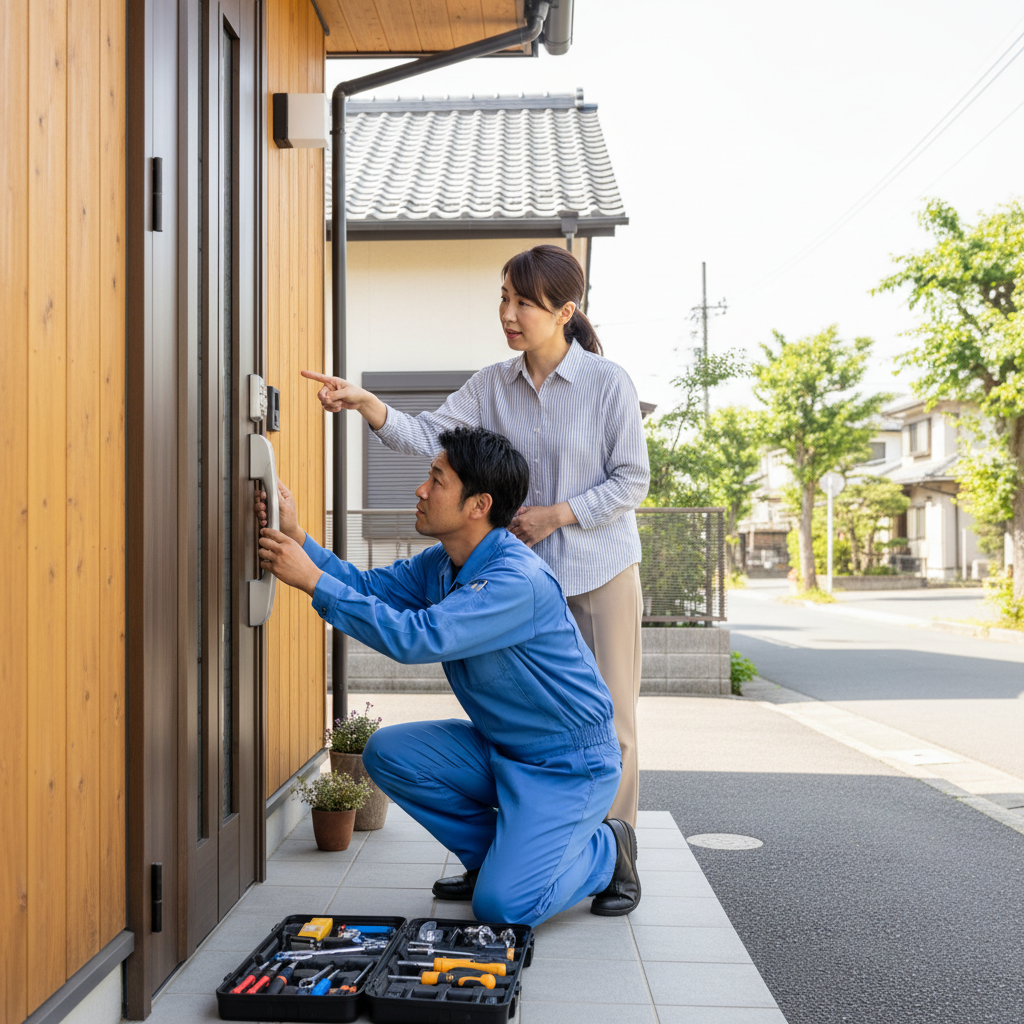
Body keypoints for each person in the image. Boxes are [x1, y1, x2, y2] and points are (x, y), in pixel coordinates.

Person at [301, 244, 650, 829]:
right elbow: (429, 434)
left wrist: (556, 515)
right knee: (518, 717)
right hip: (518, 583)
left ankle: (615, 853)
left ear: (567, 312)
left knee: (611, 722)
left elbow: (632, 480)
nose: (509, 315)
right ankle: (530, 839)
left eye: (524, 304)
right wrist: (367, 403)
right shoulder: (491, 386)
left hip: (598, 569)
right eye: (504, 299)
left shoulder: (608, 383)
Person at [255, 426, 641, 926]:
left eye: (436, 479)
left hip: (567, 766)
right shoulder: (445, 563)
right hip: (501, 748)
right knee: (388, 754)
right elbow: (369, 587)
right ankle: (493, 861)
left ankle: (608, 852)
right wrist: (298, 537)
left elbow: (418, 638)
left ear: (478, 505)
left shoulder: (513, 580)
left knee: (504, 908)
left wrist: (310, 580)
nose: (421, 489)